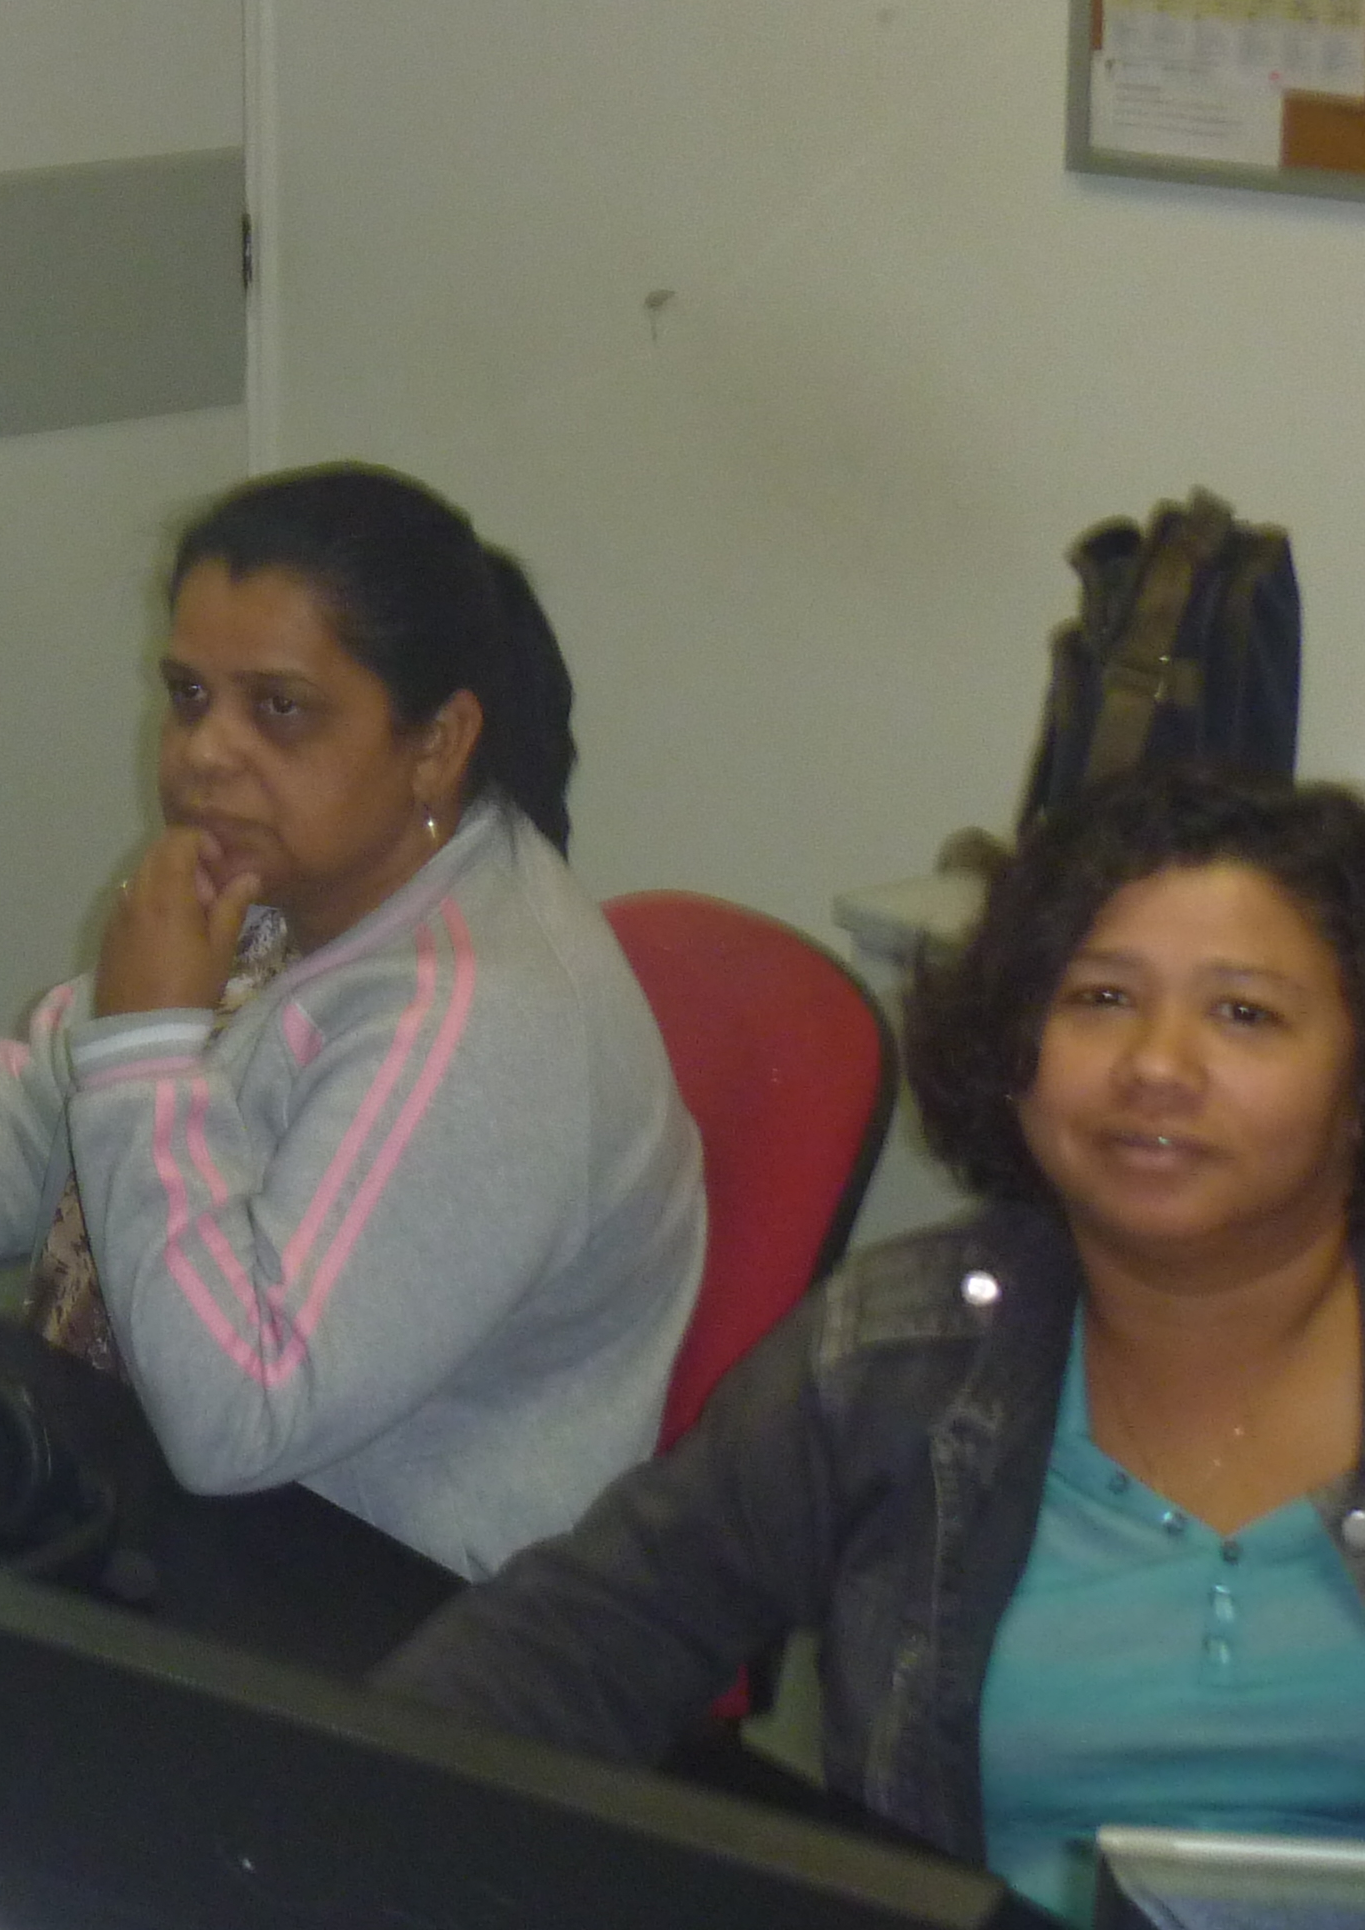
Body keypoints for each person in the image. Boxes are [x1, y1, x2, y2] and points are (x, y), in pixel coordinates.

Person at [0, 464, 703, 1579]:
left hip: (375, 1607)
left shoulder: (484, 1028)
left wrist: (147, 1049)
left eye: (280, 709)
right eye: (190, 697)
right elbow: (44, 1118)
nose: (207, 753)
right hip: (163, 1487)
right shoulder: (291, 885)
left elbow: (239, 1420)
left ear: (439, 744)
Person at [382, 766, 1365, 1921]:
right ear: (1018, 1052)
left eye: (1243, 1014)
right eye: (1100, 998)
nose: (1156, 1064)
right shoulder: (906, 1353)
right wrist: (314, 1824)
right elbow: (582, 1642)